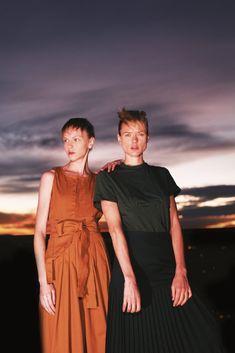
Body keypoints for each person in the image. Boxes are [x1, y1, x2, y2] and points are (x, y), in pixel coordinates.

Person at [94, 109, 226, 353]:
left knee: (205, 331)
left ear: (148, 138)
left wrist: (181, 271)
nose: (134, 141)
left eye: (140, 134)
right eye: (128, 134)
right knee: (140, 343)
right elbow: (114, 230)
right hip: (132, 269)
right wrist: (129, 279)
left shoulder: (162, 175)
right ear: (118, 138)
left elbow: (174, 224)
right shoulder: (108, 178)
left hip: (167, 268)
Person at [34, 118, 119, 353]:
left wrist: (120, 164)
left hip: (94, 262)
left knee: (98, 331)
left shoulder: (101, 182)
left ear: (90, 142)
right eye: (65, 140)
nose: (69, 145)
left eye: (76, 139)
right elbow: (40, 232)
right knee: (59, 335)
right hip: (59, 264)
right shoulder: (51, 177)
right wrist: (43, 283)